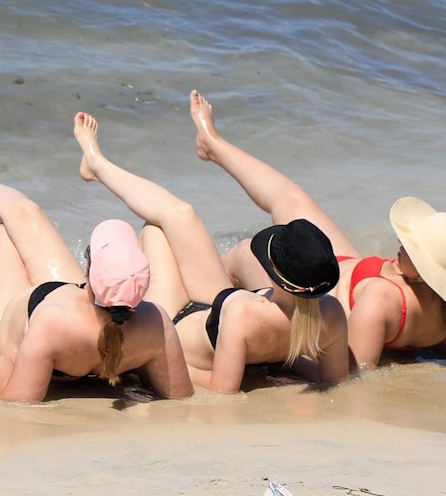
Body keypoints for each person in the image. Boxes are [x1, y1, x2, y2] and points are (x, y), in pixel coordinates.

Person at [190, 90, 446, 368]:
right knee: (291, 197)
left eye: (412, 248)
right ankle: (213, 145)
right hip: (343, 269)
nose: (400, 244)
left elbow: (351, 372)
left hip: (316, 286)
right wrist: (421, 353)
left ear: (427, 272)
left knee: (243, 253)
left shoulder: (383, 299)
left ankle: (193, 316)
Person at [73, 110, 349, 392]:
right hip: (217, 314)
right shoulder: (332, 314)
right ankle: (97, 165)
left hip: (175, 322)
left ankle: (96, 165)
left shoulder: (245, 313)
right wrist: (284, 362)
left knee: (158, 225)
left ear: (275, 270)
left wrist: (159, 360)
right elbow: (333, 378)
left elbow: (222, 387)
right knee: (180, 215)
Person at [0, 119, 191, 403]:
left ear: (90, 275)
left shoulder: (53, 324)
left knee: (12, 226)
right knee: (21, 218)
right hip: (71, 314)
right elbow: (181, 398)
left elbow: (16, 406)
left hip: (21, 333)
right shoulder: (157, 323)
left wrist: (4, 364)